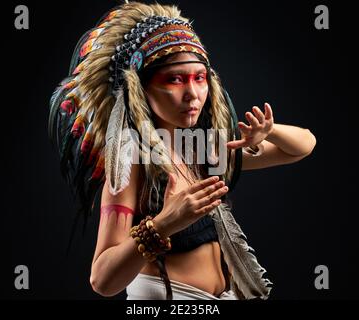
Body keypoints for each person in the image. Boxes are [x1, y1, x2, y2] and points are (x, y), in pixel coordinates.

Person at [49, 1, 316, 300]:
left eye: (199, 78)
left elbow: (303, 146)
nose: (192, 93)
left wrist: (270, 131)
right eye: (174, 79)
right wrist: (165, 224)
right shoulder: (129, 162)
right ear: (141, 89)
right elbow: (102, 280)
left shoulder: (203, 150)